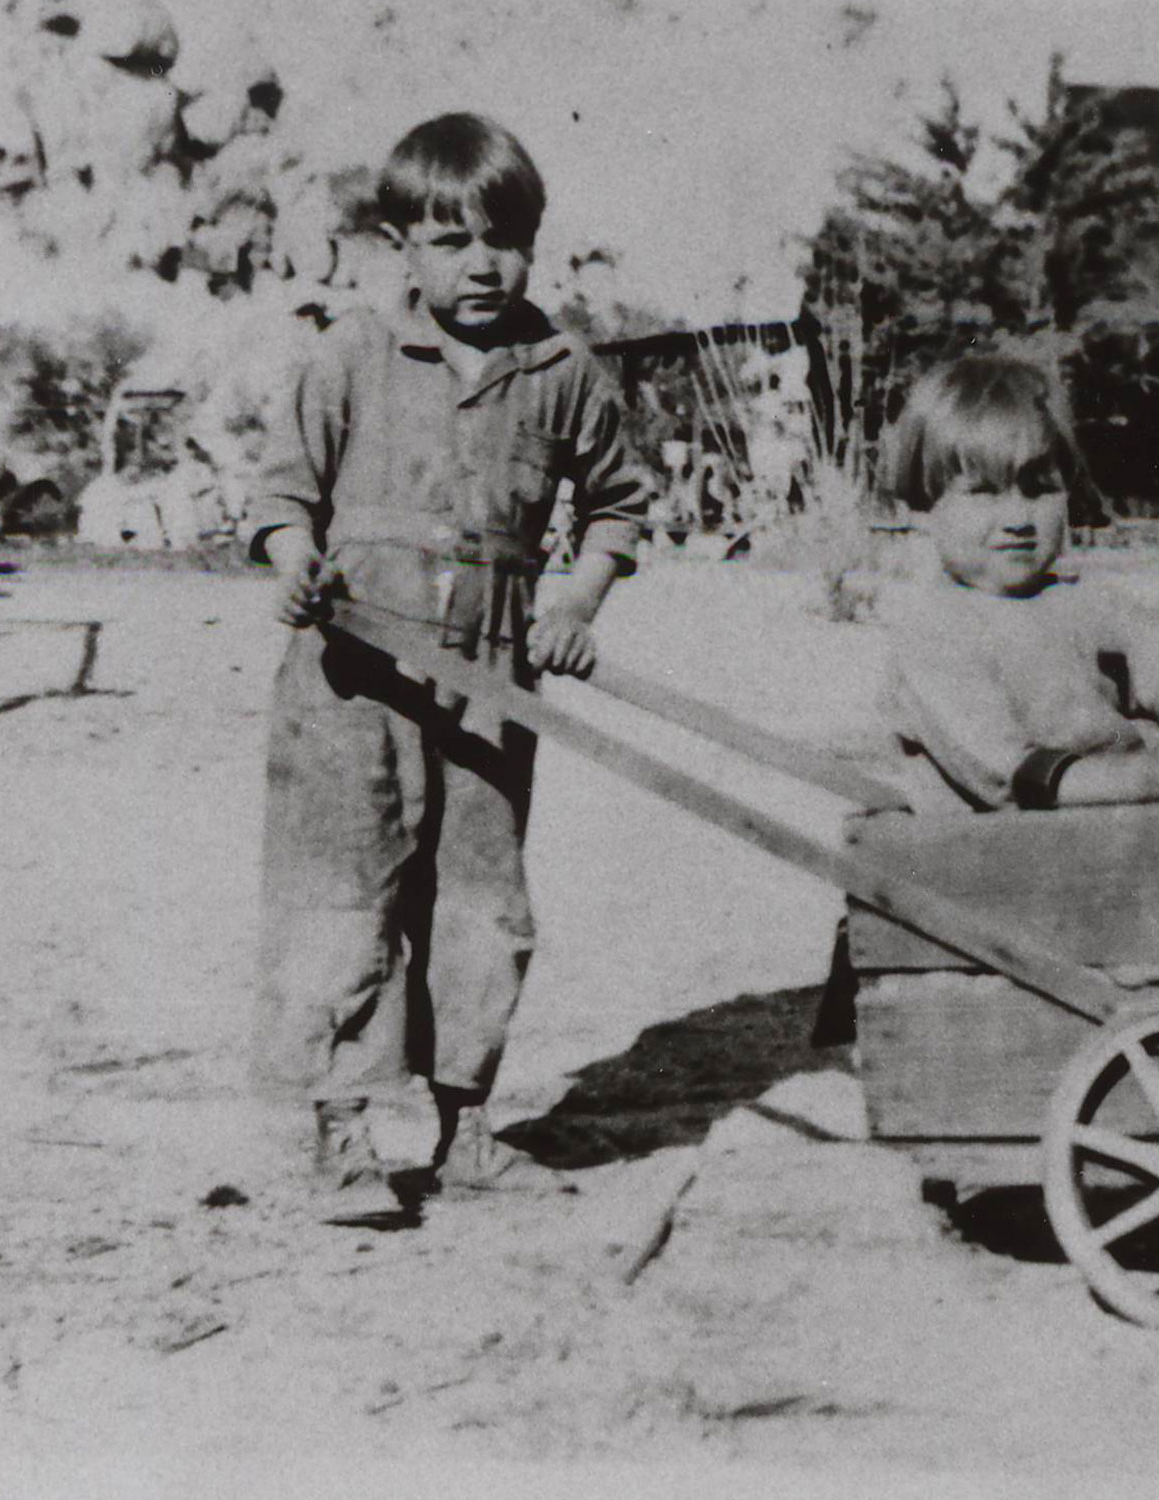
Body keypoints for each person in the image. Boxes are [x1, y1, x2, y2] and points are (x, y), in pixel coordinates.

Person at [247, 113, 648, 1222]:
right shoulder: (349, 355)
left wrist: (575, 598)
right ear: (399, 248)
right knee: (346, 900)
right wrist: (292, 566)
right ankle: (341, 1136)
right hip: (350, 684)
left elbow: (616, 504)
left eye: (503, 238)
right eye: (448, 239)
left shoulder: (561, 370)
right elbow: (283, 495)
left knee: (479, 902)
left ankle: (465, 1126)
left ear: (532, 242)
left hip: (487, 680)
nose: (480, 263)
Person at [877, 356, 1159, 813]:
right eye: (983, 493)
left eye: (1039, 489)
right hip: (989, 853)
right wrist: (1148, 776)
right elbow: (1002, 773)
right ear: (924, 507)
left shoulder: (1084, 601)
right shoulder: (932, 630)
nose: (1018, 519)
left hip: (1112, 833)